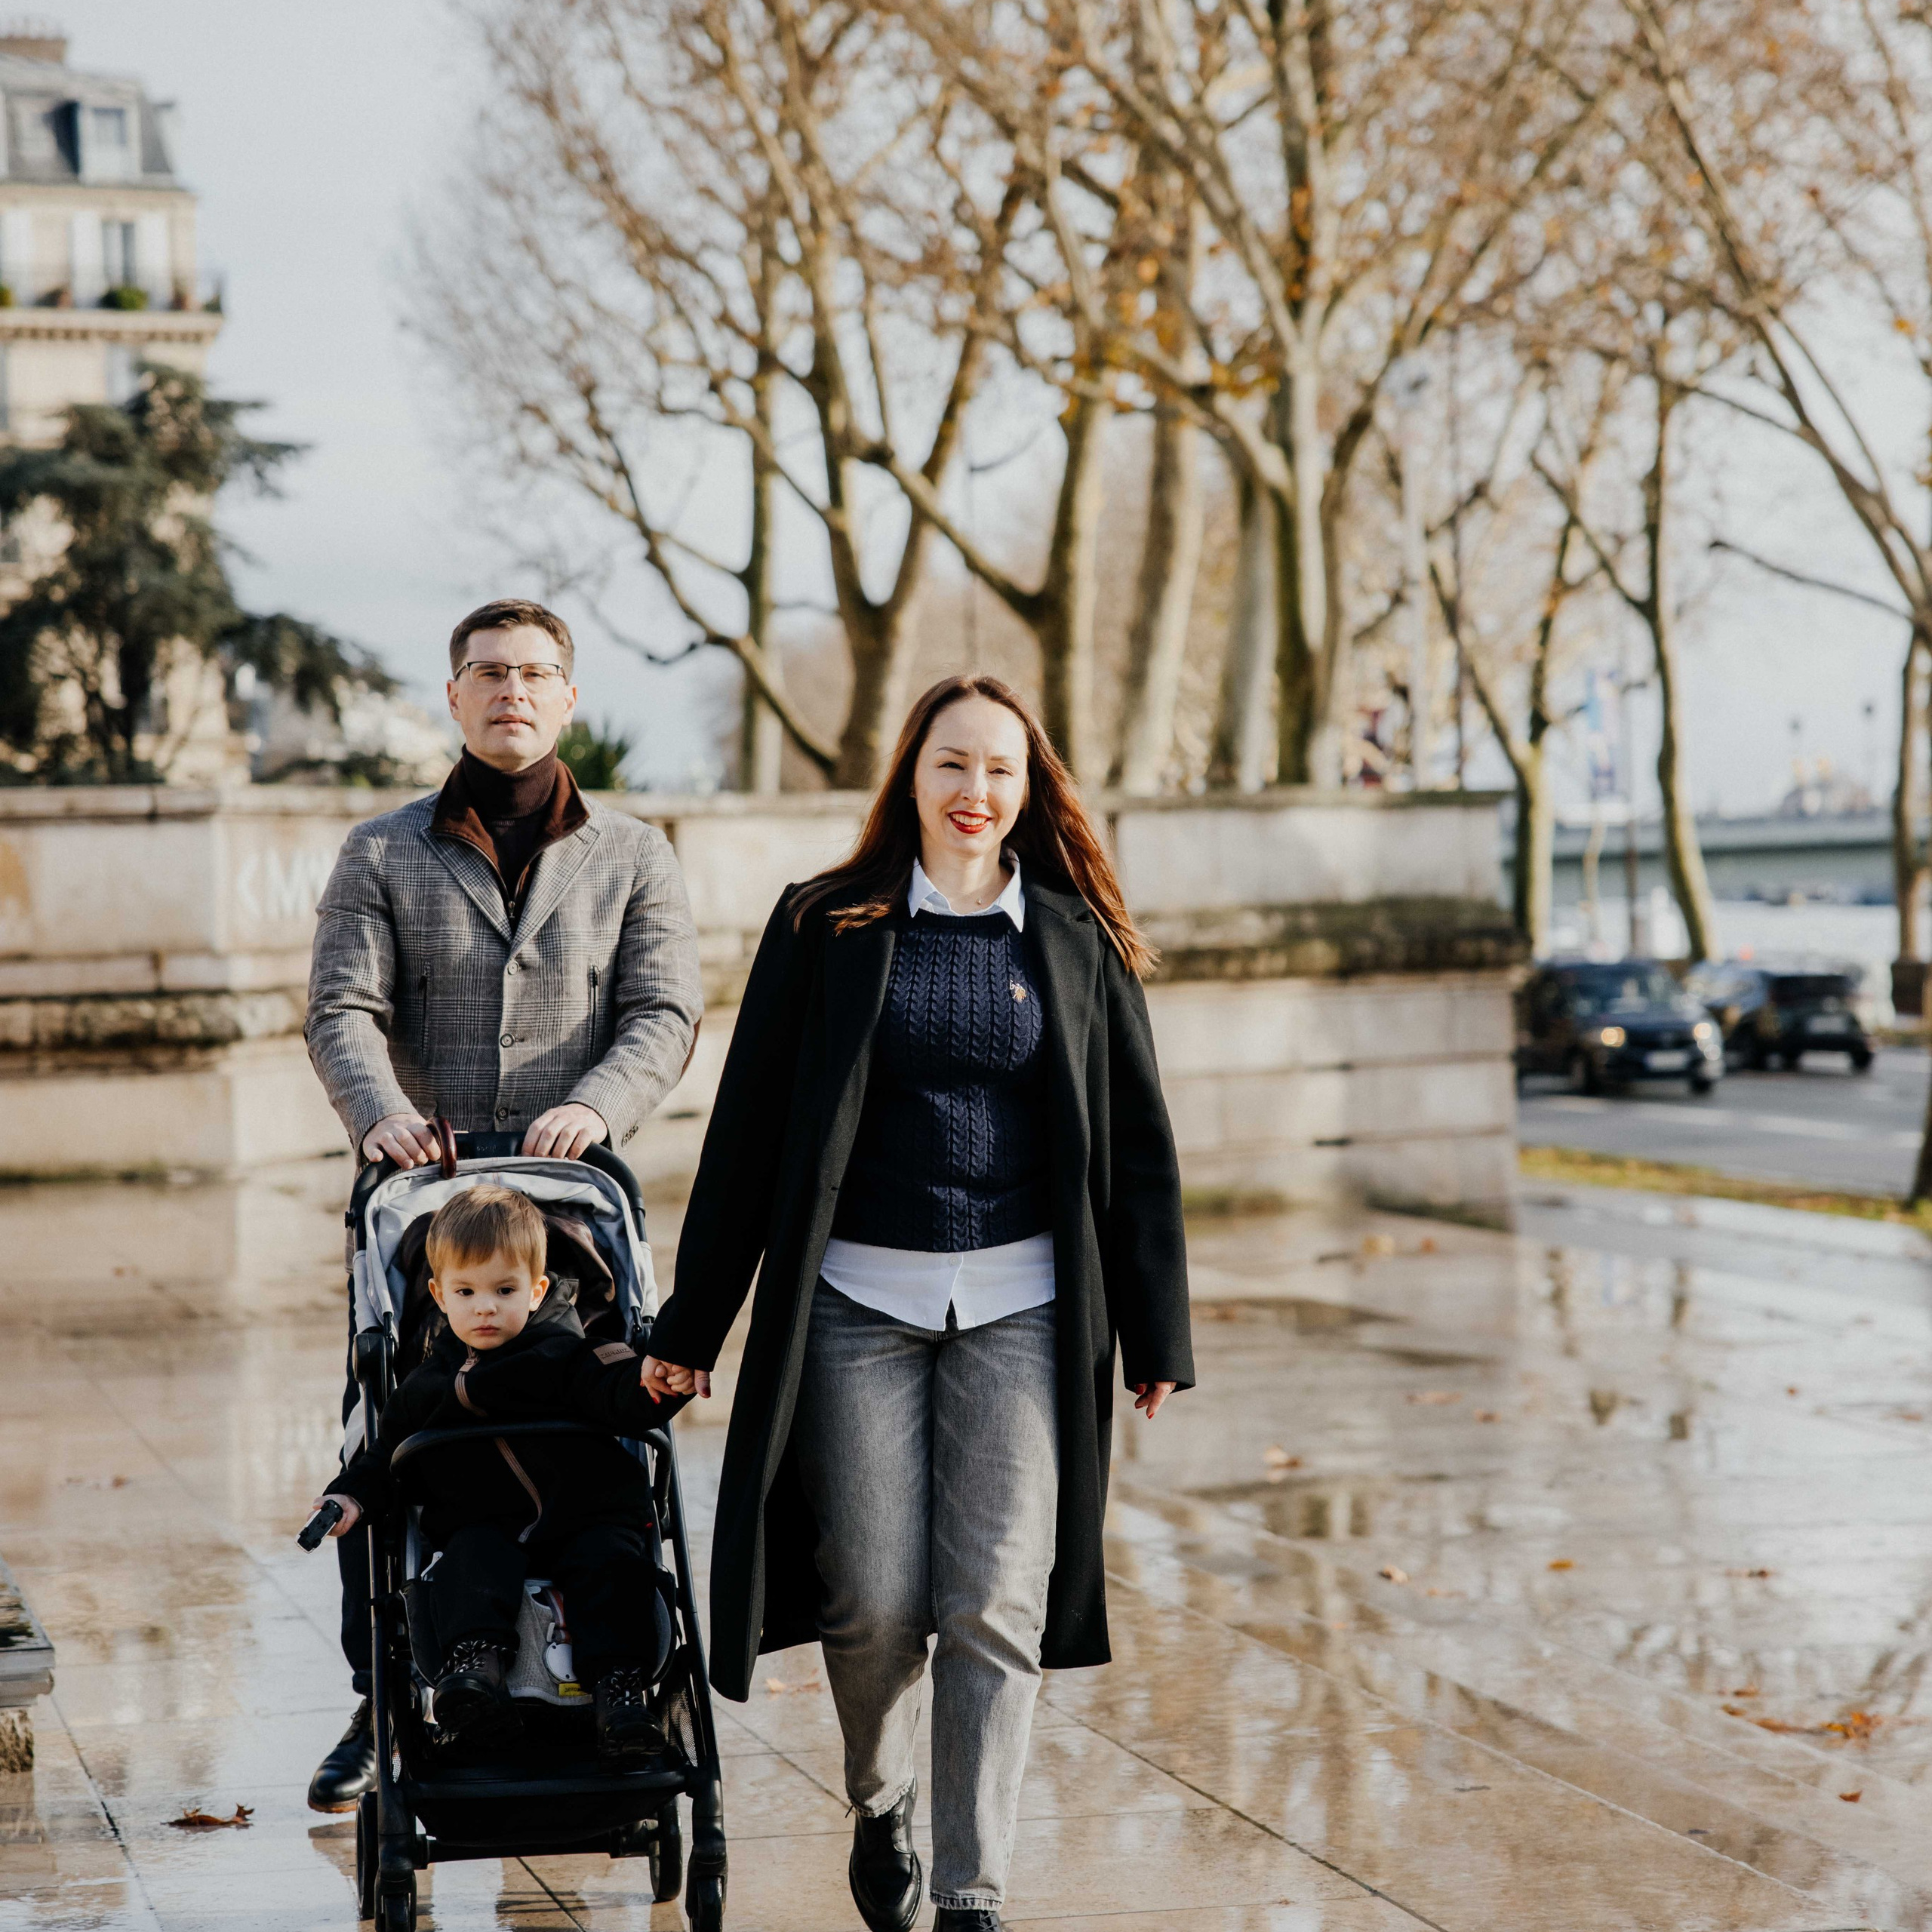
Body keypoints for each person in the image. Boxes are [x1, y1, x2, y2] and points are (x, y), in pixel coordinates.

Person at [640, 675, 1195, 1932]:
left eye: (1000, 770)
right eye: (953, 765)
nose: (975, 792)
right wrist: (690, 1332)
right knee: (877, 1602)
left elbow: (1139, 1148)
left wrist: (1157, 1330)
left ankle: (971, 1896)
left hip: (1026, 1310)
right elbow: (749, 1139)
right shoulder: (826, 925)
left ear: (1028, 789)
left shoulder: (1073, 938)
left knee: (995, 1600)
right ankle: (881, 1797)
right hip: (855, 1310)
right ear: (913, 775)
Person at [303, 596, 703, 1811]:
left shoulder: (634, 852)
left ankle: (626, 1670)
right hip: (425, 1209)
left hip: (569, 1217)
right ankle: (388, 1692)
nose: (512, 692)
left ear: (568, 695)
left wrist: (597, 1104)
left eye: (535, 674)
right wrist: (378, 1115)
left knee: (593, 1431)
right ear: (455, 696)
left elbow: (664, 1013)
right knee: (401, 1441)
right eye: (488, 673)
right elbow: (340, 1011)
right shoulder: (382, 850)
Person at [313, 1187, 673, 1758]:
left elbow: (622, 1395)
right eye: (466, 1292)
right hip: (487, 1522)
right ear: (439, 1295)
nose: (485, 1307)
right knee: (467, 1559)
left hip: (587, 1516)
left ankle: (620, 1692)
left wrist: (659, 1383)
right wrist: (352, 1497)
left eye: (504, 1291)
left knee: (613, 1568)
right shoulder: (428, 1386)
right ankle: (474, 1672)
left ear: (536, 1291)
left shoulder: (572, 1355)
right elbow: (385, 1457)